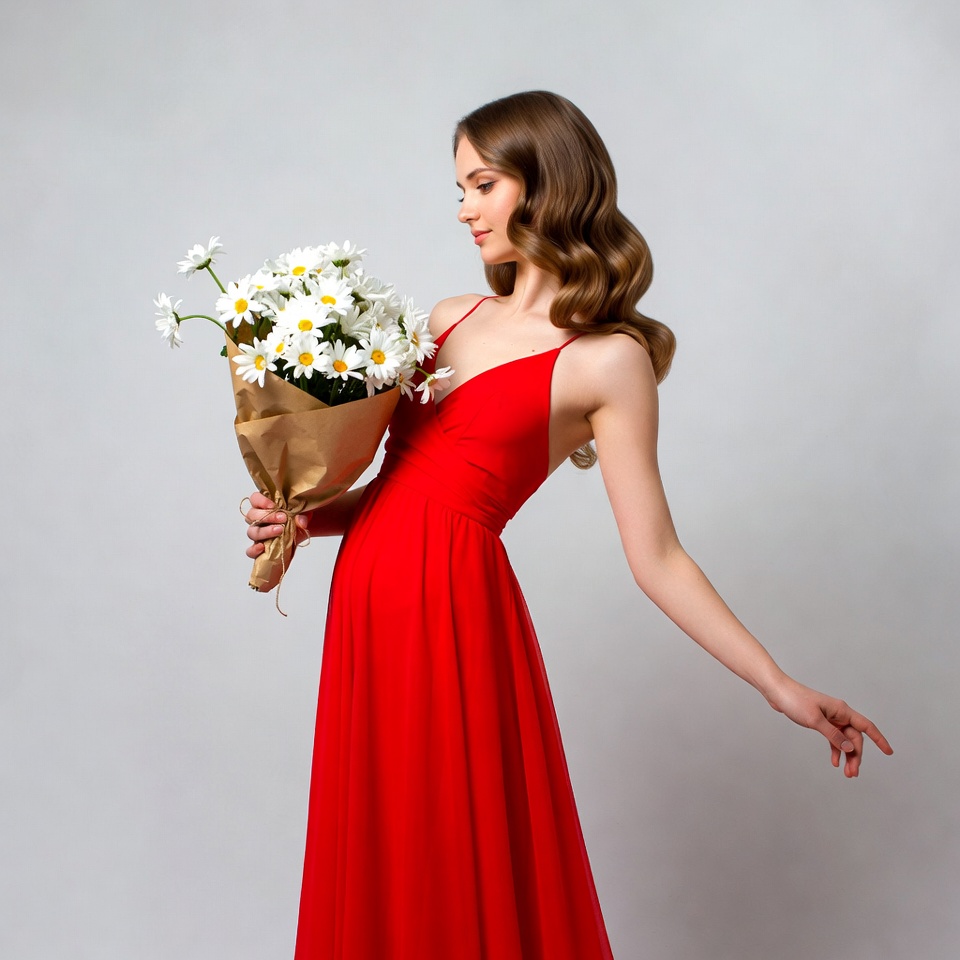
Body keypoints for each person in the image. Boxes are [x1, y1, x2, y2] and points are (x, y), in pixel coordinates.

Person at [243, 91, 893, 960]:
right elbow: (401, 489)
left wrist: (779, 685)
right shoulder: (445, 320)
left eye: (482, 184)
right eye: (459, 188)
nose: (463, 208)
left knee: (454, 852)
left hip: (453, 613)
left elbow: (657, 556)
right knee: (382, 843)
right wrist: (302, 518)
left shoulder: (608, 361)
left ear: (545, 184)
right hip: (368, 602)